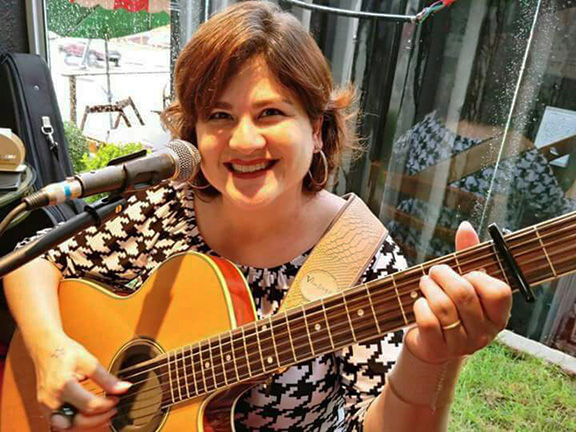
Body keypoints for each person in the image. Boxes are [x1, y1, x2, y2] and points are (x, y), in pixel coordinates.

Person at [3, 1, 512, 431]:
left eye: (271, 113)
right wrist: (49, 349)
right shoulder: (166, 207)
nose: (244, 141)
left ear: (317, 129)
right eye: (219, 116)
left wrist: (431, 358)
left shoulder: (362, 261)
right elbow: (32, 261)